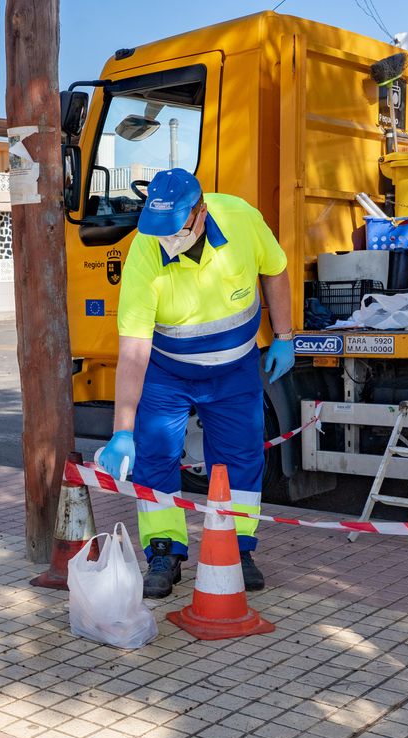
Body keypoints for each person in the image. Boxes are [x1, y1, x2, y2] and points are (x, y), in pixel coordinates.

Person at [97, 168, 294, 598]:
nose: (167, 238)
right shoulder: (144, 253)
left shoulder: (241, 219)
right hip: (168, 373)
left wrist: (284, 336)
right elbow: (133, 350)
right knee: (154, 458)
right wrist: (122, 431)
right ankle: (164, 552)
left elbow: (275, 270)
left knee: (241, 459)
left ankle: (238, 549)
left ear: (200, 212)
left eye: (176, 229)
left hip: (235, 370)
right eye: (159, 229)